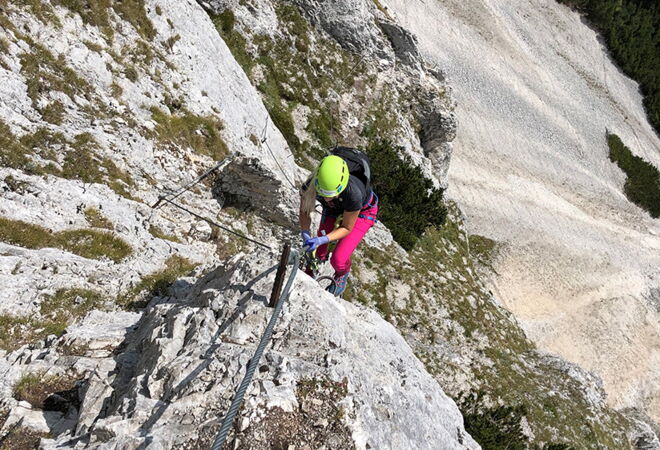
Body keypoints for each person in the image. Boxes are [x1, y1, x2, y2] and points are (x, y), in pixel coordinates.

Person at [299, 147, 379, 297]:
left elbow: (347, 227)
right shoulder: (310, 184)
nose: (327, 198)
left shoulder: (354, 194)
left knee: (338, 258)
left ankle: (342, 273)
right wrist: (305, 233)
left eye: (331, 194)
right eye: (323, 194)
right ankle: (313, 267)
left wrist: (323, 238)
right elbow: (304, 211)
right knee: (318, 251)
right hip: (333, 208)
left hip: (364, 211)